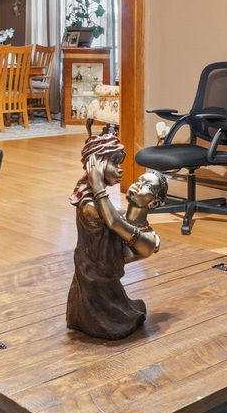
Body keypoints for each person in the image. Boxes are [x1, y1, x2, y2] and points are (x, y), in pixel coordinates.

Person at [66, 132, 166, 339]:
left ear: (155, 202)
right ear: (99, 164)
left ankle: (110, 311)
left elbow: (116, 222)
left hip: (99, 270)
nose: (121, 171)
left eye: (146, 185)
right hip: (95, 272)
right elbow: (112, 222)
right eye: (116, 164)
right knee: (108, 315)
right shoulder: (92, 206)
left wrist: (97, 184)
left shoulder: (99, 202)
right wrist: (98, 185)